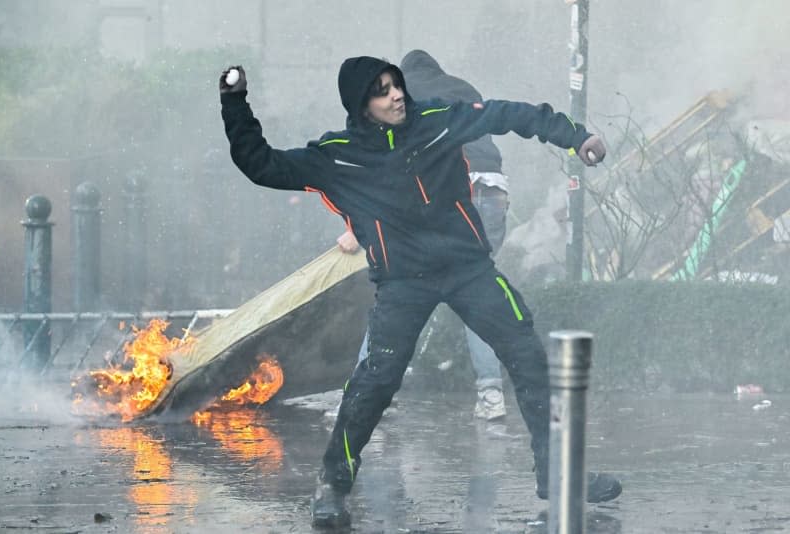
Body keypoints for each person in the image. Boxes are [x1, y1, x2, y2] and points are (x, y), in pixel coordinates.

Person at [219, 56, 621, 528]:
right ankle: (332, 486)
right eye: (382, 91)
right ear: (361, 105)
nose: (396, 96)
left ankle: (554, 473)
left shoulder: (436, 120)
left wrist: (576, 136)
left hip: (468, 269)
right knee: (375, 382)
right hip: (403, 283)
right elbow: (260, 164)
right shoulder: (337, 155)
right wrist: (235, 101)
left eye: (397, 86)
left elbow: (508, 113)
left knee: (526, 353)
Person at [338, 49, 515, 421]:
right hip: (493, 193)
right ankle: (491, 394)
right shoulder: (461, 87)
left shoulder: (398, 97)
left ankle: (365, 394)